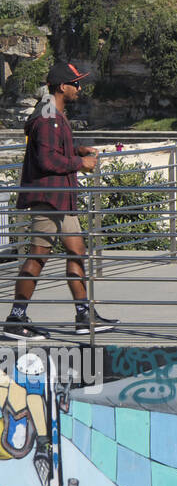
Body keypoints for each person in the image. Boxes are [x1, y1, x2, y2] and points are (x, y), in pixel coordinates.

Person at [5, 63, 116, 340]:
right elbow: (46, 160)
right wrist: (81, 162)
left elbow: (55, 150)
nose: (79, 88)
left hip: (62, 198)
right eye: (75, 84)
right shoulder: (46, 117)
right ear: (61, 87)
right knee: (38, 258)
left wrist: (77, 149)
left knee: (77, 252)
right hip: (48, 199)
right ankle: (15, 320)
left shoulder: (55, 115)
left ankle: (83, 315)